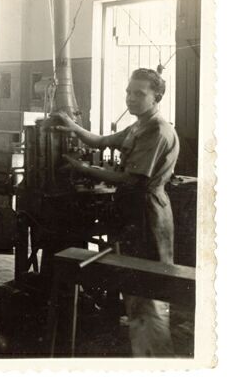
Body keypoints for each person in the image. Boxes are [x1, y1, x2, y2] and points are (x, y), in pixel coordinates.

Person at [55, 68, 179, 356]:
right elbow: (101, 141)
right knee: (134, 290)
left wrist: (83, 168)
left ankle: (159, 362)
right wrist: (73, 127)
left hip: (147, 213)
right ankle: (145, 354)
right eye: (128, 92)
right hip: (132, 211)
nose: (131, 98)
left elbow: (131, 179)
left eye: (139, 93)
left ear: (157, 97)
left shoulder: (157, 130)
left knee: (148, 290)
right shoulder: (139, 126)